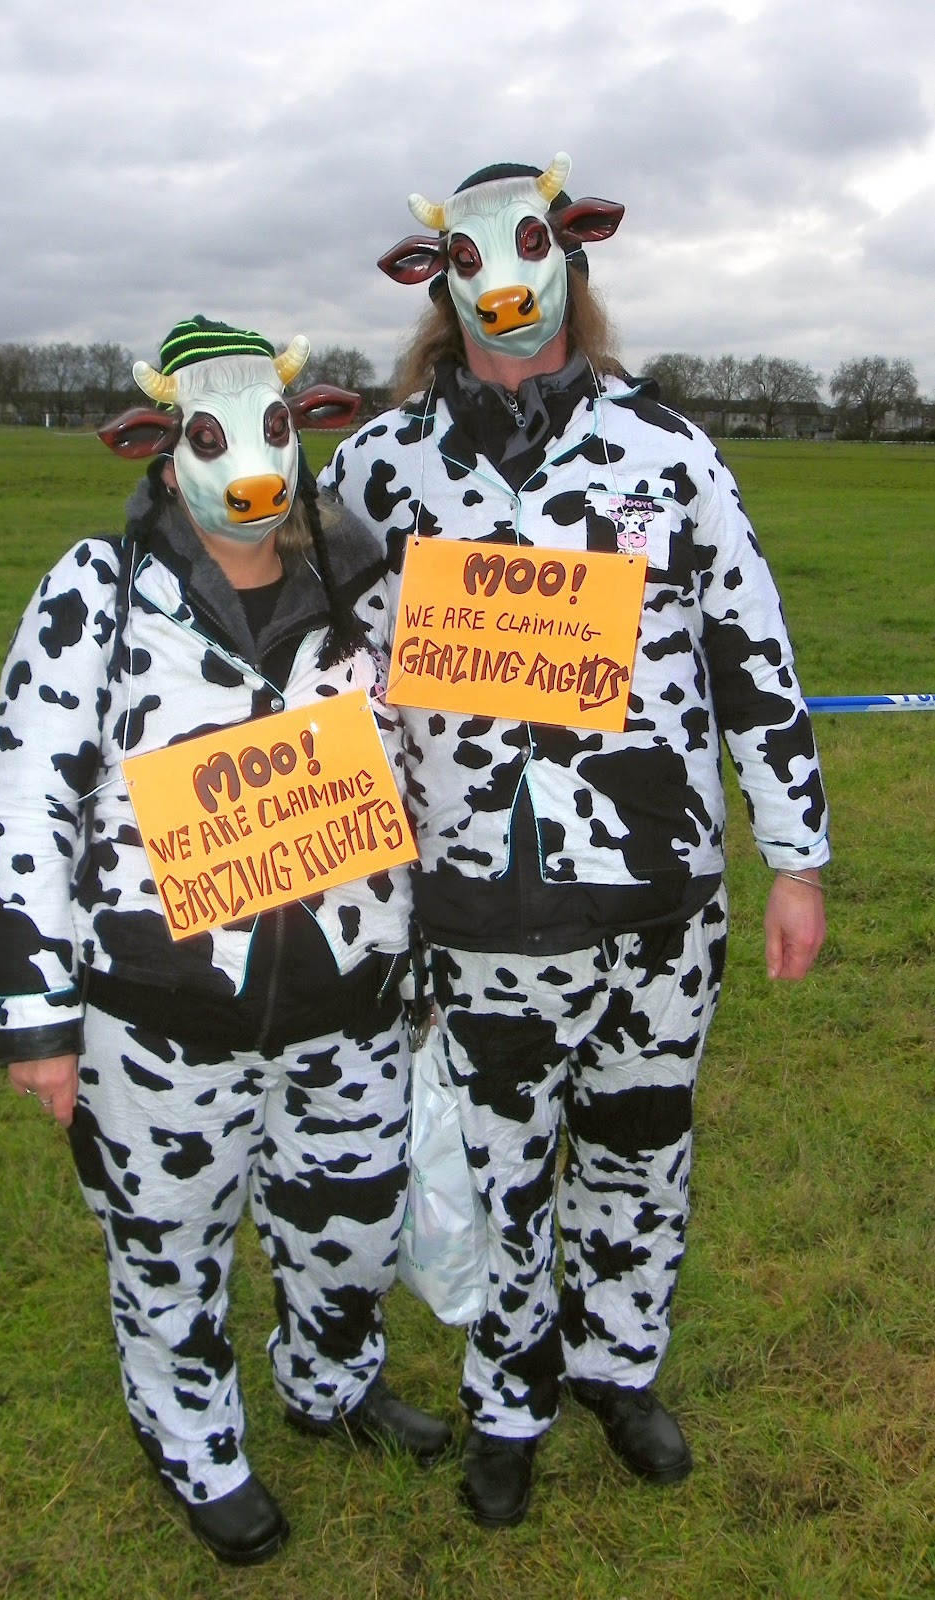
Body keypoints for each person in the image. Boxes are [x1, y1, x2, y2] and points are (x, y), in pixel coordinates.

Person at [321, 153, 829, 1527]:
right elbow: (321, 683)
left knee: (640, 1141)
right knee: (497, 1166)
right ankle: (509, 1395)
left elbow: (751, 649)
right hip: (477, 899)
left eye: (532, 251)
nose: (507, 290)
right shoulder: (375, 469)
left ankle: (619, 1366)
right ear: (435, 283)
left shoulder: (667, 451)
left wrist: (796, 855)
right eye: (470, 264)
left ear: (570, 259)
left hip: (658, 894)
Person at [0, 316, 450, 1567]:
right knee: (168, 1241)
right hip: (161, 1009)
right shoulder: (100, 588)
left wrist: (433, 940)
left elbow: (424, 754)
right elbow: (27, 793)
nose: (250, 464)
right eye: (212, 435)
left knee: (347, 1218)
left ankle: (332, 1382)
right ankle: (190, 1435)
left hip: (347, 993)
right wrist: (38, 1017)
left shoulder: (363, 578)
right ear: (164, 447)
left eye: (274, 428)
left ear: (305, 429)